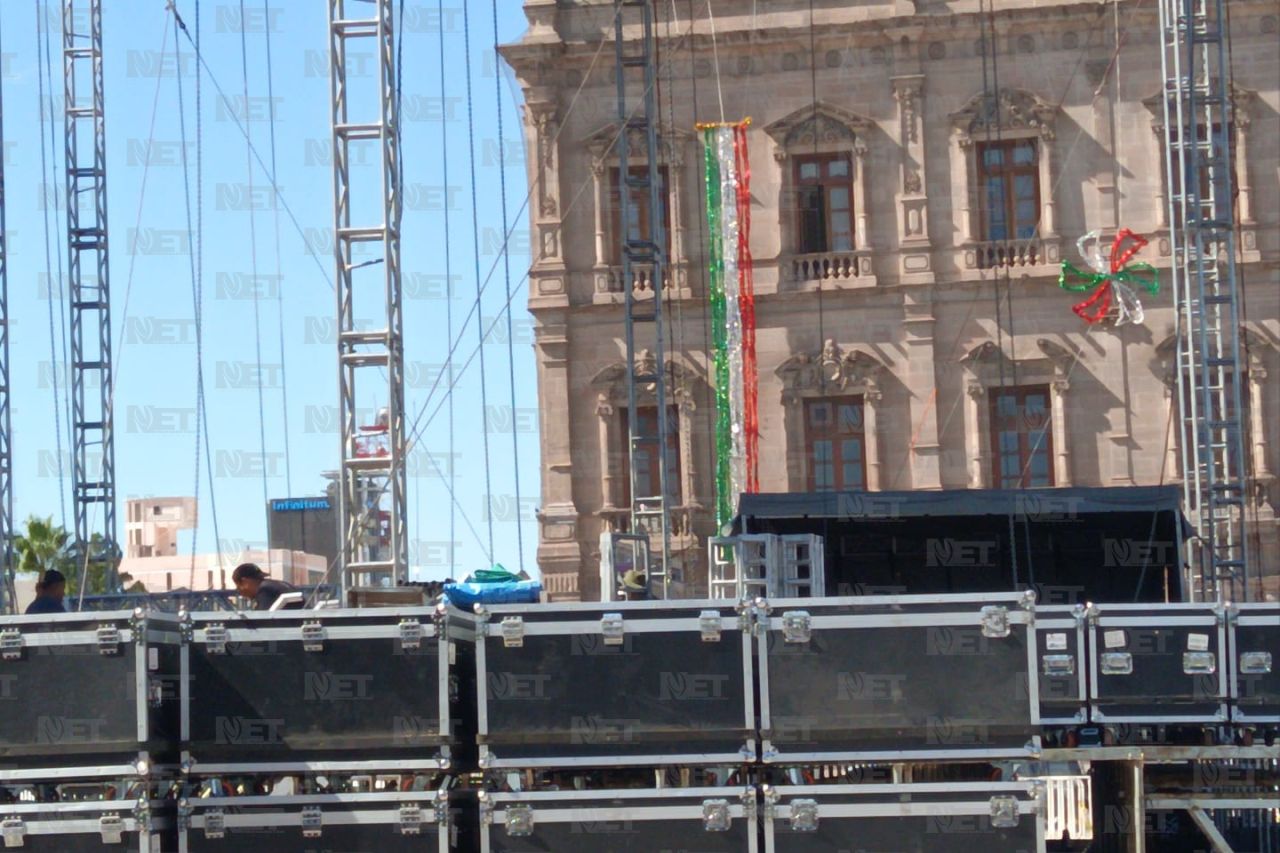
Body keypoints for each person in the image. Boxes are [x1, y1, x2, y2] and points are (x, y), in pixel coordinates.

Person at [231, 563, 299, 611]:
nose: (239, 591)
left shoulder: (266, 590)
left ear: (245, 582)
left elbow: (261, 622)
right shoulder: (278, 585)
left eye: (238, 586)